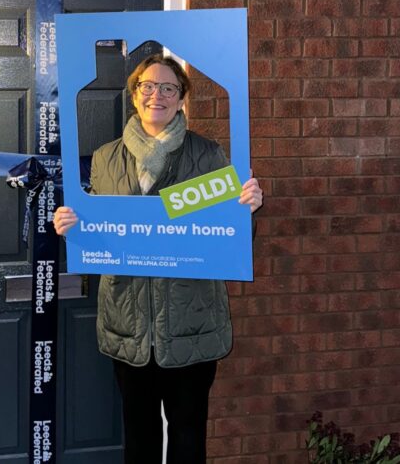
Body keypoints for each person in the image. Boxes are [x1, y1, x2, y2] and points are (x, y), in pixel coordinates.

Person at [53, 54, 262, 464]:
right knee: (140, 440)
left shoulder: (208, 155)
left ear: (182, 98)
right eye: (148, 86)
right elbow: (99, 234)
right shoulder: (105, 158)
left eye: (169, 87)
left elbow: (230, 240)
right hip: (128, 328)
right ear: (134, 95)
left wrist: (247, 211)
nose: (157, 95)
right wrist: (71, 225)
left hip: (190, 325)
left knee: (187, 441)